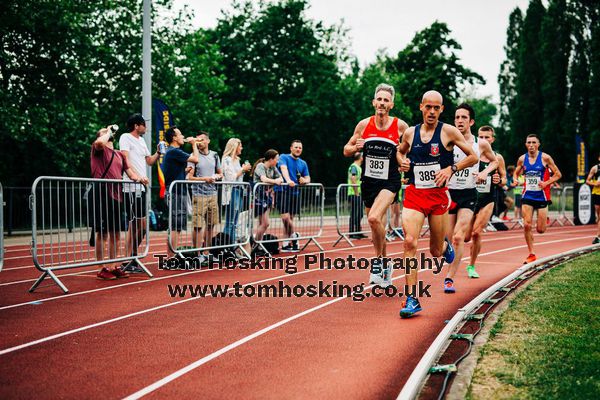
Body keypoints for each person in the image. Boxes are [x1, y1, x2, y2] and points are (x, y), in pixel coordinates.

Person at [396, 90, 477, 318]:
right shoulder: (410, 133)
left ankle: (444, 247)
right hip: (414, 194)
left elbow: (473, 157)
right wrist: (402, 163)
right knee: (410, 242)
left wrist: (451, 169)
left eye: (436, 108)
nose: (431, 112)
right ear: (421, 107)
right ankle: (412, 298)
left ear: (441, 110)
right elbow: (399, 153)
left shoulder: (448, 132)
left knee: (434, 250)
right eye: (428, 107)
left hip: (438, 197)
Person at [343, 83, 409, 286]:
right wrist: (356, 145)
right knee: (375, 226)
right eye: (379, 99)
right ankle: (384, 263)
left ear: (391, 104)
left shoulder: (401, 126)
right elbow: (346, 150)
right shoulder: (364, 125)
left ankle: (378, 263)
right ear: (373, 102)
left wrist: (405, 162)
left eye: (386, 100)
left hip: (389, 180)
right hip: (369, 181)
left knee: (373, 218)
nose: (382, 103)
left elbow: (408, 150)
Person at [444, 104, 498, 293]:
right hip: (449, 193)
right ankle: (447, 250)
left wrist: (486, 173)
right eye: (457, 117)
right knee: (447, 240)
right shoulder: (448, 140)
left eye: (463, 117)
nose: (459, 121)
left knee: (459, 237)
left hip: (468, 193)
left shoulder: (480, 144)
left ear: (471, 121)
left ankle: (449, 279)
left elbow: (495, 161)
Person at [91, 126, 146, 280]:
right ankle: (101, 267)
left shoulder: (120, 155)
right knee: (102, 233)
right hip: (102, 194)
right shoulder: (98, 149)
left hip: (116, 196)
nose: (107, 133)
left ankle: (113, 265)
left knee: (115, 233)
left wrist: (140, 179)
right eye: (102, 132)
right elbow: (100, 143)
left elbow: (130, 172)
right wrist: (107, 131)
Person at [119, 113, 160, 273]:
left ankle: (132, 256)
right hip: (130, 186)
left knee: (142, 226)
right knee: (133, 223)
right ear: (137, 126)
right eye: (144, 124)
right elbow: (125, 160)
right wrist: (136, 177)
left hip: (141, 187)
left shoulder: (142, 141)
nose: (146, 127)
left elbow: (149, 161)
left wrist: (158, 152)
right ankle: (127, 259)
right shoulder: (125, 137)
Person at [514, 134, 562, 263]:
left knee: (540, 229)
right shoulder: (522, 159)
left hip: (542, 196)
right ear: (525, 144)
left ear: (538, 144)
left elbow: (558, 174)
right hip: (527, 195)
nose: (531, 145)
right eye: (528, 142)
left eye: (533, 142)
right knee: (527, 224)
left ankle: (541, 220)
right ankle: (531, 253)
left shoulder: (546, 158)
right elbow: (516, 172)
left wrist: (546, 183)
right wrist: (514, 179)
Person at [466, 126, 507, 278]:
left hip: (487, 200)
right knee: (465, 237)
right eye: (481, 137)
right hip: (470, 199)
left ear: (492, 139)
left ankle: (471, 265)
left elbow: (504, 180)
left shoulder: (497, 157)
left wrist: (499, 180)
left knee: (477, 233)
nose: (483, 140)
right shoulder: (470, 154)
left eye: (487, 137)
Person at [162, 126, 199, 259]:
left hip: (178, 192)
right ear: (174, 138)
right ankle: (170, 257)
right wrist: (194, 144)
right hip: (175, 193)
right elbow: (196, 159)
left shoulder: (173, 152)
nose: (183, 136)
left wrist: (185, 172)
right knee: (176, 227)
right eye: (180, 134)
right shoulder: (174, 151)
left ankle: (171, 256)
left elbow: (171, 173)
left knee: (176, 226)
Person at [186, 131, 222, 262]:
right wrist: (204, 179)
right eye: (197, 140)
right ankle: (197, 254)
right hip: (198, 194)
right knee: (197, 225)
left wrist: (217, 177)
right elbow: (189, 178)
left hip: (213, 194)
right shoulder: (193, 156)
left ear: (208, 141)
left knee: (211, 225)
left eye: (201, 140)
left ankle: (206, 252)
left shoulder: (215, 155)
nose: (199, 142)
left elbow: (220, 173)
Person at [276, 140, 311, 252]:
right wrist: (288, 180)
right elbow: (283, 169)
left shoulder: (303, 163)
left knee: (290, 219)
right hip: (282, 190)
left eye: (300, 148)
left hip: (295, 193)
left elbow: (308, 178)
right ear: (291, 148)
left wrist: (304, 181)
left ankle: (286, 244)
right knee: (285, 218)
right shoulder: (284, 157)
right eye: (296, 147)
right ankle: (295, 235)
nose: (298, 149)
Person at [252, 150, 284, 249]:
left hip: (267, 197)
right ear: (271, 159)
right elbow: (264, 179)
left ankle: (258, 244)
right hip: (258, 196)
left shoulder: (273, 168)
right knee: (265, 223)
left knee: (262, 223)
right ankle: (255, 244)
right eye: (276, 159)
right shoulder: (261, 166)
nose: (277, 161)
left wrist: (278, 180)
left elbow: (281, 178)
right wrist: (275, 181)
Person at [221, 138, 251, 243]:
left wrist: (243, 170)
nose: (242, 148)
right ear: (235, 146)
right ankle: (226, 246)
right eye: (240, 145)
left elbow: (238, 177)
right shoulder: (226, 159)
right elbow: (231, 178)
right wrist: (243, 170)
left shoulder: (237, 160)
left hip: (239, 190)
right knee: (230, 221)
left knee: (235, 221)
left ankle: (232, 246)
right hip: (232, 191)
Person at [347, 152, 366, 239]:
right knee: (354, 213)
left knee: (360, 213)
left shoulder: (358, 167)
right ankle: (352, 233)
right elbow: (353, 179)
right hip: (354, 193)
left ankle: (358, 231)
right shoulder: (354, 166)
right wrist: (356, 192)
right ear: (361, 158)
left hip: (359, 193)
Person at [585, 153, 600, 244]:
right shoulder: (595, 168)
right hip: (597, 194)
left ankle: (598, 236)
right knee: (598, 216)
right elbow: (587, 181)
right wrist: (595, 184)